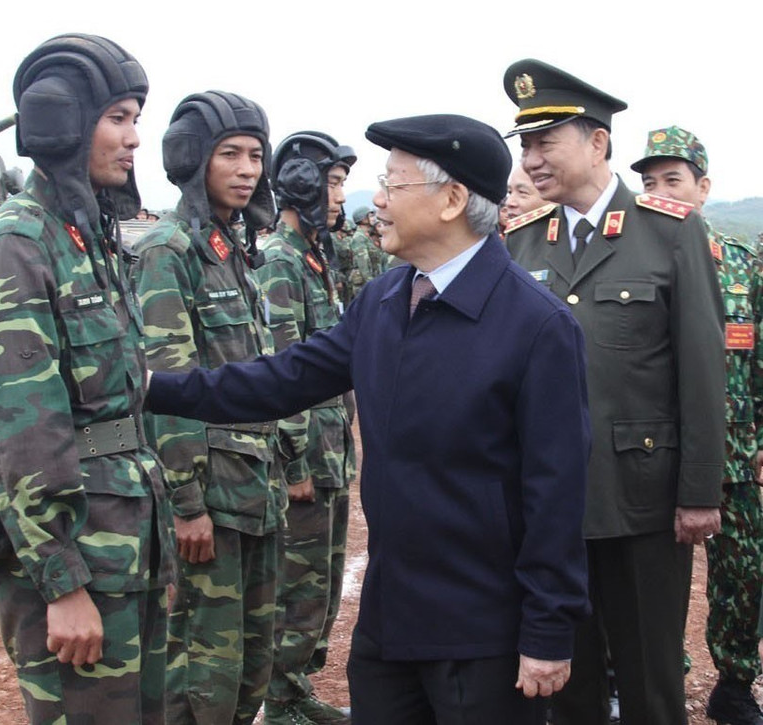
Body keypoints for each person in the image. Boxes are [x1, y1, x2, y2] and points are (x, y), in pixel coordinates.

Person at [146, 113, 592, 725]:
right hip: (390, 619)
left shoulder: (536, 327)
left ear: (452, 200)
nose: (376, 199)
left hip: (482, 630)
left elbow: (557, 492)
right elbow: (282, 380)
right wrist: (151, 388)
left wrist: (548, 629)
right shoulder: (386, 300)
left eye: (393, 184)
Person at [0, 34, 176, 724]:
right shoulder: (16, 246)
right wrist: (61, 583)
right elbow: (19, 431)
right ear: (64, 124)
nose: (135, 139)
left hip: (126, 540)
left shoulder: (88, 238)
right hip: (77, 559)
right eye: (119, 118)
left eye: (136, 119)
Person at [502, 59, 726, 725]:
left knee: (652, 680)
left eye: (546, 141)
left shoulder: (671, 231)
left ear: (597, 142)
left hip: (644, 504)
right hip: (550, 508)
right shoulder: (521, 242)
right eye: (525, 145)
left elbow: (702, 370)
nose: (532, 158)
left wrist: (698, 492)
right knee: (567, 688)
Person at [132, 90, 284, 725]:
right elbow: (166, 384)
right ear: (196, 161)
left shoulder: (231, 249)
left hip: (254, 489)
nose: (247, 169)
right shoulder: (169, 251)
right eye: (231, 155)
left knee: (251, 664)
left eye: (255, 155)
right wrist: (186, 504)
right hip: (209, 503)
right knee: (202, 672)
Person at [632, 126, 763, 725]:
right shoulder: (633, 255)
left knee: (745, 575)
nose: (661, 192)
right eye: (649, 183)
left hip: (736, 451)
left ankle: (734, 681)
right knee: (655, 581)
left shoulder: (742, 265)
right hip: (657, 454)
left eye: (673, 181)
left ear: (703, 188)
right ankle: (664, 676)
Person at [256, 131, 358, 725]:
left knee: (319, 585)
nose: (340, 193)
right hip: (306, 459)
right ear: (300, 184)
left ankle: (294, 691)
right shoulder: (280, 261)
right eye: (335, 180)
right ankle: (281, 700)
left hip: (331, 452)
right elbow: (282, 368)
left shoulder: (316, 259)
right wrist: (293, 461)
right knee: (296, 585)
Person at [346, 206, 374, 299]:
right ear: (363, 219)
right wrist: (371, 283)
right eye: (370, 216)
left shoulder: (366, 236)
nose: (373, 218)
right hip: (363, 283)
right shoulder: (359, 238)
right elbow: (363, 263)